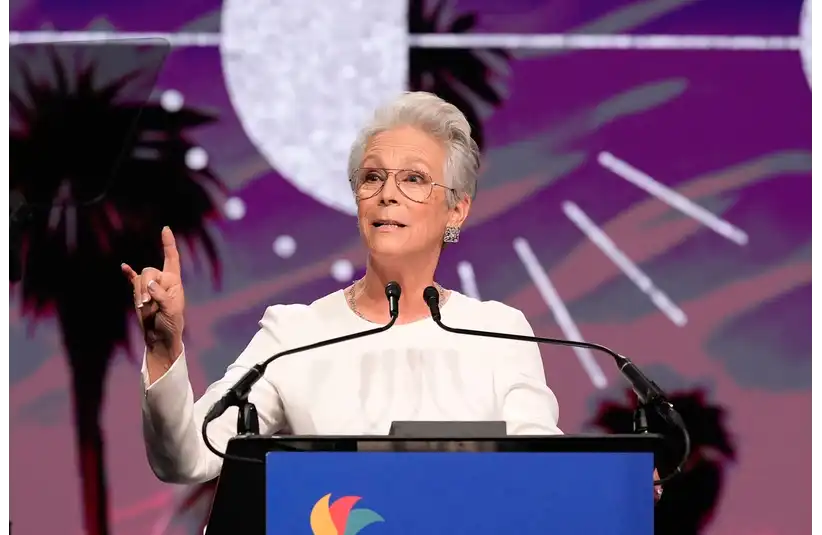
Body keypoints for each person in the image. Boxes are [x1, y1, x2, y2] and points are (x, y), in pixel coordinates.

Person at [126, 92, 659, 497]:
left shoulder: (499, 333)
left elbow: (538, 463)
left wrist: (609, 488)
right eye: (373, 176)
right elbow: (187, 459)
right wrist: (163, 348)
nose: (386, 194)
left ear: (456, 209)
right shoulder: (294, 334)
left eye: (414, 179)